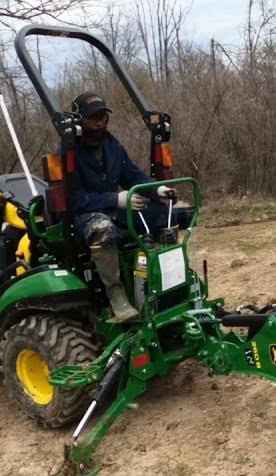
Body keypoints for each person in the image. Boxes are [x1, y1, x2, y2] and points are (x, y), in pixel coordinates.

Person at [64, 92, 178, 323]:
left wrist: (156, 190)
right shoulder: (68, 154)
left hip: (114, 207)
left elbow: (132, 175)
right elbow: (74, 200)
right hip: (84, 216)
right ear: (79, 121)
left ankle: (165, 282)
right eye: (92, 118)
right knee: (103, 228)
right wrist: (115, 200)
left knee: (162, 214)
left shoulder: (112, 145)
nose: (99, 123)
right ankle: (117, 296)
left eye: (102, 117)